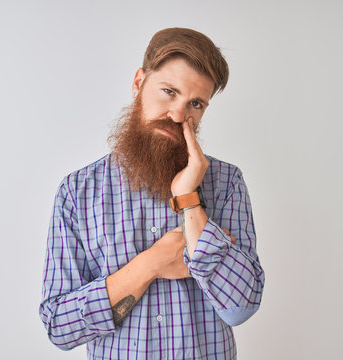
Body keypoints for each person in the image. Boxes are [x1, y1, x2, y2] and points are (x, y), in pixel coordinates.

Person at [39, 27, 265, 360]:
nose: (177, 115)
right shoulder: (78, 192)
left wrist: (189, 200)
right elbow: (59, 326)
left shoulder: (226, 183)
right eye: (168, 92)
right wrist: (150, 265)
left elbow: (239, 308)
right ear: (138, 83)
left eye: (195, 103)